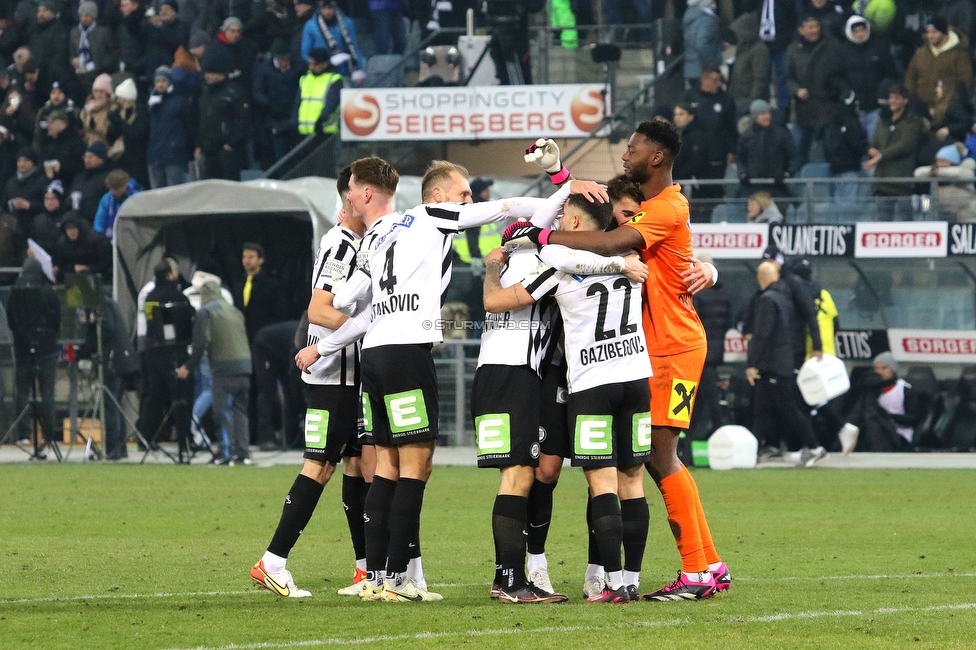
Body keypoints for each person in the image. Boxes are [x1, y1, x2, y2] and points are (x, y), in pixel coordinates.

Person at [302, 157, 551, 602]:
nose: (469, 201)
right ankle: (401, 579)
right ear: (437, 197)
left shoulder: (378, 236)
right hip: (406, 356)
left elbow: (349, 301)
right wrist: (562, 193)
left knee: (386, 470)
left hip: (373, 357)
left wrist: (321, 346)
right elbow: (505, 207)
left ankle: (376, 578)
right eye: (463, 194)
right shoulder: (428, 218)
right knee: (414, 468)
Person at [499, 122, 729, 601]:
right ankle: (709, 563)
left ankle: (696, 572)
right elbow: (598, 209)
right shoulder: (651, 206)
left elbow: (610, 241)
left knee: (660, 457)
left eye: (633, 149)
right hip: (654, 348)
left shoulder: (665, 207)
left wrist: (543, 236)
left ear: (657, 158)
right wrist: (560, 173)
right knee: (653, 460)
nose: (625, 155)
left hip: (672, 345)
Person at [475, 178, 644, 603]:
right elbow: (497, 301)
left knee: (568, 474)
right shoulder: (584, 256)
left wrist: (562, 178)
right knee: (535, 473)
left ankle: (589, 574)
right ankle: (527, 569)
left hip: (567, 377)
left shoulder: (555, 255)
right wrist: (563, 179)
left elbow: (545, 235)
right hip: (533, 372)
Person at [252, 168, 373, 598]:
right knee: (319, 466)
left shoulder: (363, 244)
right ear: (348, 204)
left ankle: (365, 570)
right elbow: (319, 310)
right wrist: (363, 332)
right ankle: (273, 561)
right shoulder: (341, 243)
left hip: (351, 375)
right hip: (331, 377)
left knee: (360, 466)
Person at [745, 261, 827, 467]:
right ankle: (752, 453)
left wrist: (751, 364)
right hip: (782, 361)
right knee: (762, 410)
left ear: (759, 279)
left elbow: (761, 335)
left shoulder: (767, 299)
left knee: (788, 408)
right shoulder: (785, 298)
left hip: (772, 365)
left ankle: (815, 446)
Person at [177, 280, 252, 465]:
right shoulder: (235, 311)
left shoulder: (206, 312)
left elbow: (200, 342)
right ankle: (243, 453)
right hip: (245, 368)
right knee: (240, 412)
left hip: (224, 368)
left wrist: (188, 366)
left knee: (222, 412)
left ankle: (225, 454)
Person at [141, 259, 194, 461]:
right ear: (171, 274)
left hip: (152, 353)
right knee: (181, 397)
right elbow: (184, 327)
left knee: (153, 396)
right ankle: (183, 439)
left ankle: (146, 437)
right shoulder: (177, 297)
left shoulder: (150, 297)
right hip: (174, 353)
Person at [7, 257, 61, 456]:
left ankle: (23, 434)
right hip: (46, 348)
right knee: (47, 392)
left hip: (22, 348)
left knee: (22, 392)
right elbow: (57, 318)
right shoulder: (47, 291)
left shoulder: (15, 291)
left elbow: (10, 317)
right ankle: (48, 433)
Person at [76, 293, 138, 460]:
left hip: (113, 362)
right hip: (123, 360)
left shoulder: (102, 307)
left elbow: (106, 329)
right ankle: (119, 447)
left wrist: (83, 351)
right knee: (116, 405)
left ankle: (112, 448)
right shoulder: (110, 303)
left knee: (110, 406)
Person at [786, 14, 843, 168]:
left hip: (828, 105)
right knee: (800, 151)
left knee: (830, 150)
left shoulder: (832, 46)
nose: (814, 30)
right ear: (801, 30)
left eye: (816, 26)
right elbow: (788, 77)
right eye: (810, 27)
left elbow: (841, 73)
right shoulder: (792, 50)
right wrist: (796, 90)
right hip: (804, 108)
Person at [864, 85, 926, 215]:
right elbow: (874, 141)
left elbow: (905, 145)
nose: (892, 101)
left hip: (902, 182)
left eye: (897, 98)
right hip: (882, 182)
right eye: (891, 97)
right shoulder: (883, 120)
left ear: (905, 100)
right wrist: (871, 150)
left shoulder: (913, 121)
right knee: (882, 225)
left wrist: (880, 156)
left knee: (905, 224)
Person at [844, 352, 925, 451]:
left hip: (899, 433)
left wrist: (888, 417)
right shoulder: (871, 390)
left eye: (884, 368)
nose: (879, 372)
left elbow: (914, 418)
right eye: (876, 369)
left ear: (892, 370)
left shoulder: (904, 390)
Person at [195, 46, 249, 181]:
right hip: (208, 149)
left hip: (226, 149)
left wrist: (232, 143)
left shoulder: (234, 93)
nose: (206, 76)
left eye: (210, 72)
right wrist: (199, 144)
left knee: (229, 186)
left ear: (220, 73)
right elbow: (201, 119)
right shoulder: (205, 92)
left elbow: (243, 120)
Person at [839, 14, 897, 141]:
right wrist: (848, 96)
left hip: (876, 107)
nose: (860, 34)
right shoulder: (842, 52)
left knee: (874, 142)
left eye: (862, 30)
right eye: (856, 31)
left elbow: (891, 74)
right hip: (855, 108)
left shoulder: (879, 49)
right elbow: (837, 77)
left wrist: (884, 96)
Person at [904, 16, 973, 114]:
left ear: (944, 32)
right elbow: (910, 78)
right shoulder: (920, 52)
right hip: (919, 110)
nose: (930, 35)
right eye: (928, 32)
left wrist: (949, 104)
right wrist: (912, 100)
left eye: (934, 32)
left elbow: (965, 82)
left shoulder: (959, 55)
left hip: (947, 112)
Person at [253, 39, 302, 168]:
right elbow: (257, 92)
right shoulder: (264, 69)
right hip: (274, 118)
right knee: (279, 153)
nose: (286, 62)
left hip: (293, 115)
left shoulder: (297, 68)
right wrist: (271, 105)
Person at [146, 66, 194, 189]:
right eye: (157, 81)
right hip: (155, 155)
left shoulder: (180, 101)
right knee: (158, 195)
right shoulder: (152, 102)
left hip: (174, 154)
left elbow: (189, 126)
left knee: (175, 193)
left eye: (163, 81)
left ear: (170, 81)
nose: (160, 84)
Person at [737, 99, 794, 197]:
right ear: (755, 116)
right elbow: (740, 159)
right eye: (763, 114)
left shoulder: (782, 134)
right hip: (754, 188)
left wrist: (787, 174)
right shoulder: (746, 137)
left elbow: (794, 156)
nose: (767, 116)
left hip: (777, 188)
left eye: (768, 113)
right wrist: (743, 174)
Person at [300, 0, 365, 85]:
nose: (327, 12)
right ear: (320, 9)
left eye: (330, 8)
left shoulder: (347, 23)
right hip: (322, 74)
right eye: (324, 8)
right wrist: (320, 64)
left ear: (335, 8)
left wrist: (358, 70)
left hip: (344, 73)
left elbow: (354, 48)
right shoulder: (311, 26)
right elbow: (305, 52)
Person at [233, 242, 287, 343]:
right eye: (244, 257)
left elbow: (279, 313)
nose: (246, 260)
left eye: (251, 257)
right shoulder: (239, 285)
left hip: (264, 336)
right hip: (242, 336)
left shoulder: (272, 285)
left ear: (260, 260)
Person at [107, 79, 150, 190]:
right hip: (124, 159)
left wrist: (119, 121)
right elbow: (110, 137)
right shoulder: (121, 113)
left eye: (121, 98)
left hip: (139, 160)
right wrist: (113, 122)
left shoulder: (142, 113)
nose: (119, 101)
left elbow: (136, 133)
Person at [727, 11, 770, 116]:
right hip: (737, 96)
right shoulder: (742, 47)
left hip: (748, 100)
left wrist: (753, 100)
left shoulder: (759, 50)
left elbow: (760, 78)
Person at [70, 1, 117, 94]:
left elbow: (114, 54)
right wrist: (73, 60)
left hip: (98, 73)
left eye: (87, 15)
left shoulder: (104, 32)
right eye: (81, 15)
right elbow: (72, 53)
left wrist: (97, 65)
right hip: (79, 75)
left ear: (93, 16)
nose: (83, 18)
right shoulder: (74, 32)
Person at [295, 47, 342, 137]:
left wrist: (321, 120)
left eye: (315, 64)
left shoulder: (334, 79)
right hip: (304, 130)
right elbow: (297, 103)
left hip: (325, 131)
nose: (311, 67)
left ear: (324, 64)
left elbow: (331, 104)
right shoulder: (305, 79)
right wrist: (294, 122)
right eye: (310, 64)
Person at [52, 211, 112, 280]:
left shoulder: (96, 240)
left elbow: (105, 264)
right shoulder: (62, 243)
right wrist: (72, 268)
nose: (71, 232)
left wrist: (88, 268)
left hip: (98, 277)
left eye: (73, 228)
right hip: (73, 278)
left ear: (79, 227)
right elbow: (62, 264)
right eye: (68, 229)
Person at [36, 110, 86, 187]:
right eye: (47, 122)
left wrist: (62, 167)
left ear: (62, 124)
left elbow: (80, 165)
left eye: (52, 122)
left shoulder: (75, 142)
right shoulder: (46, 142)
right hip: (44, 184)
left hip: (66, 184)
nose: (48, 125)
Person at [66, 142, 110, 222]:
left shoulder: (107, 178)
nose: (86, 160)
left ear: (100, 159)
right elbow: (69, 193)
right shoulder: (80, 176)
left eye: (90, 157)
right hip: (74, 219)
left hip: (93, 220)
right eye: (85, 157)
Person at [93, 169, 141, 240]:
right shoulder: (106, 199)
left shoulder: (138, 198)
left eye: (118, 189)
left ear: (126, 185)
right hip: (112, 239)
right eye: (113, 189)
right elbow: (99, 224)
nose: (115, 192)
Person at [683, 0, 721, 87]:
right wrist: (712, 63)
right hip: (704, 71)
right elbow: (701, 44)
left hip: (691, 69)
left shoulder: (690, 18)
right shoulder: (707, 20)